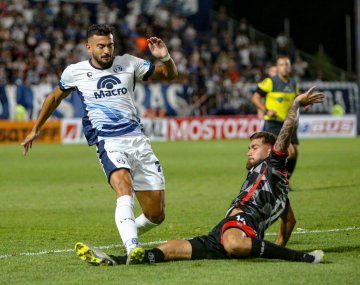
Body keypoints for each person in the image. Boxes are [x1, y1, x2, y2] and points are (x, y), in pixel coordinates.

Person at [75, 87, 325, 266]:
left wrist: (294, 106)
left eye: (254, 147)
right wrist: (277, 246)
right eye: (249, 147)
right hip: (225, 227)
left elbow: (284, 135)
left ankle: (302, 257)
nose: (249, 151)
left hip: (241, 228)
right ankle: (118, 260)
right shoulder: (277, 188)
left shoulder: (274, 165)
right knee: (175, 248)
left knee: (235, 244)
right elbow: (289, 220)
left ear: (270, 151)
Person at [21, 24, 178, 263]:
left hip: (138, 140)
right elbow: (54, 97)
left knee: (156, 214)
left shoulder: (128, 63)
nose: (106, 50)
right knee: (123, 188)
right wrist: (36, 129)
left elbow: (169, 75)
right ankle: (132, 247)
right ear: (89, 47)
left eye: (110, 45)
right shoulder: (75, 72)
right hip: (107, 140)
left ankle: (128, 232)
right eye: (101, 46)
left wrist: (164, 58)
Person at [252, 55, 299, 181]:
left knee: (295, 154)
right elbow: (255, 97)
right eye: (281, 64)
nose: (284, 67)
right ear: (277, 67)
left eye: (287, 64)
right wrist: (265, 110)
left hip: (289, 123)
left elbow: (297, 98)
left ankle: (285, 180)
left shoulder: (293, 83)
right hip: (274, 123)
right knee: (290, 152)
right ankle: (271, 178)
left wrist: (304, 104)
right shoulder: (270, 82)